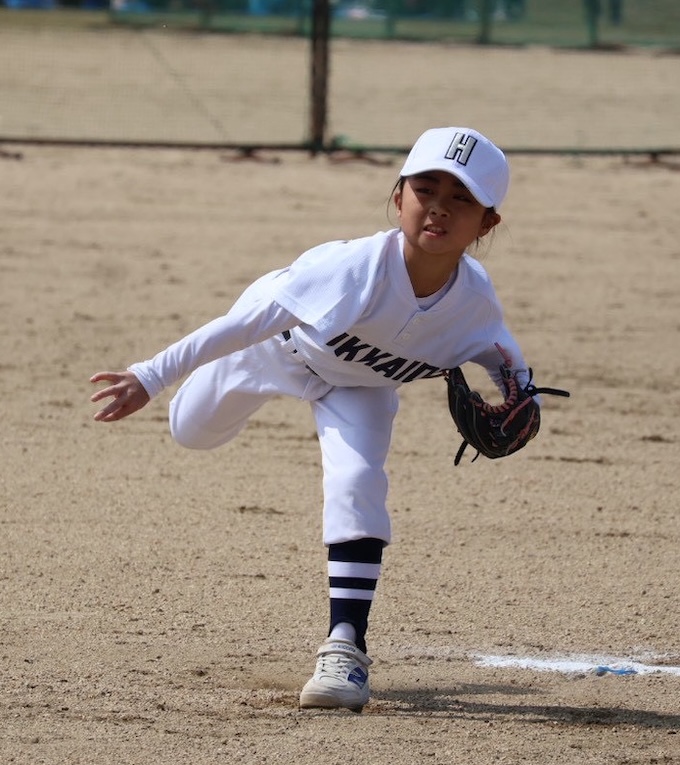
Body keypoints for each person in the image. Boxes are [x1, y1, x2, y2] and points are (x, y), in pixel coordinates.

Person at [90, 126, 533, 713]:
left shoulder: (474, 306)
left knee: (358, 483)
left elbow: (510, 369)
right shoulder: (350, 268)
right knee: (191, 431)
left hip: (363, 388)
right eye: (426, 189)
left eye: (463, 200)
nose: (439, 209)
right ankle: (205, 391)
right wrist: (149, 375)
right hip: (273, 348)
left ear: (488, 223)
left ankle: (345, 647)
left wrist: (524, 408)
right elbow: (240, 325)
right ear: (399, 196)